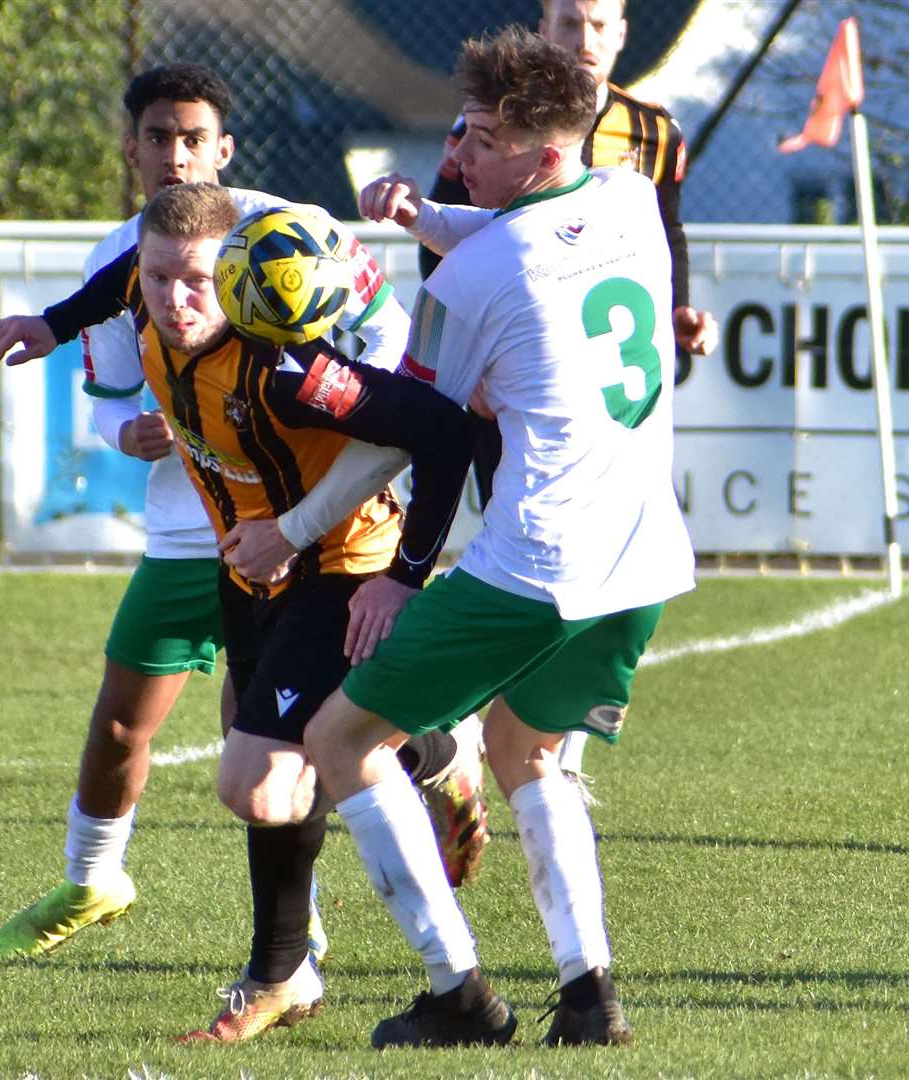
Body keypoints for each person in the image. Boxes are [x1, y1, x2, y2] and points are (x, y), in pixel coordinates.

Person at [0, 64, 486, 1030]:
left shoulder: (282, 364)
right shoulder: (145, 293)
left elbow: (439, 431)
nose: (172, 298)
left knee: (259, 775)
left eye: (195, 281)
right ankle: (285, 971)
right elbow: (111, 287)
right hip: (246, 564)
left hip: (335, 561)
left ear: (235, 277)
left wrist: (403, 576)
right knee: (273, 771)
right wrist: (48, 323)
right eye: (157, 280)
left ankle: (453, 969)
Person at [302, 26, 695, 1049]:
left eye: (478, 140)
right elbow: (523, 239)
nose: (455, 155)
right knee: (527, 751)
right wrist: (431, 214)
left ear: (544, 153)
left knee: (338, 741)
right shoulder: (627, 199)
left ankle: (457, 993)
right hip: (642, 554)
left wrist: (309, 385)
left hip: (536, 564)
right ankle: (587, 993)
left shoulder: (468, 282)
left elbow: (418, 423)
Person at [424, 0, 714, 780]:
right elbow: (488, 233)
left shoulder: (651, 138)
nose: (582, 40)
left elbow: (659, 238)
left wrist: (676, 314)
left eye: (597, 24)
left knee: (351, 730)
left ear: (623, 36)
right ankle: (505, 752)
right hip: (533, 401)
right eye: (566, 23)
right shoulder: (607, 183)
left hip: (583, 419)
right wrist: (425, 219)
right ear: (541, 35)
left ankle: (471, 747)